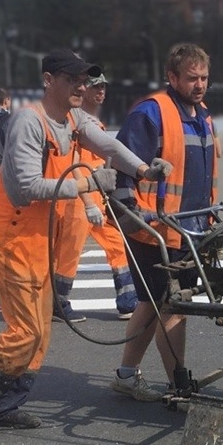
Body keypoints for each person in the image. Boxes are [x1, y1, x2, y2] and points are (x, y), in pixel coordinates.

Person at [0, 49, 172, 440]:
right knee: (25, 331)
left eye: (84, 81)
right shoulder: (28, 122)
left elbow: (107, 145)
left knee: (41, 333)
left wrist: (141, 168)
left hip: (42, 237)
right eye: (73, 80)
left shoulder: (73, 119)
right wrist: (87, 184)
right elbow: (24, 188)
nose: (81, 87)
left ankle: (5, 405)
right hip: (15, 236)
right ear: (49, 80)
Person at [108, 42, 218, 404]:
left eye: (203, 77)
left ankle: (126, 375)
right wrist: (132, 217)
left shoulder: (202, 114)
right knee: (172, 306)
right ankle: (178, 384)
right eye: (191, 78)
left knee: (152, 302)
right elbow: (123, 169)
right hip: (153, 231)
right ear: (172, 77)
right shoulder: (151, 113)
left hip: (188, 228)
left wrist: (209, 216)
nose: (199, 84)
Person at [51, 73, 139, 322]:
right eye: (95, 87)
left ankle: (127, 300)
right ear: (83, 90)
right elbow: (75, 162)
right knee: (68, 254)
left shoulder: (91, 122)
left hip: (96, 199)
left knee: (117, 245)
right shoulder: (75, 124)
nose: (101, 91)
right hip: (79, 200)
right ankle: (57, 301)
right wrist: (88, 203)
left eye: (103, 87)